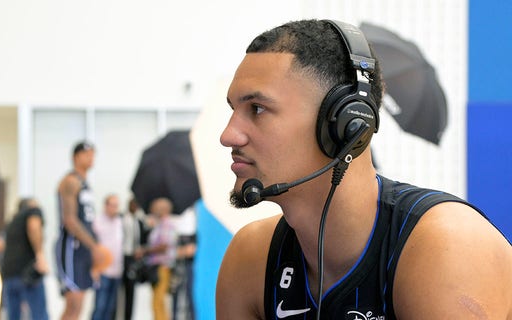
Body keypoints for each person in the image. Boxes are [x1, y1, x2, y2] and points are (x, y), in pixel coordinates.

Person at [215, 19, 512, 319]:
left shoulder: (448, 248)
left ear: (345, 126)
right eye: (233, 110)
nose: (228, 135)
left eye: (257, 108)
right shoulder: (252, 259)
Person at [55, 140, 103, 320]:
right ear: (76, 157)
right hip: (71, 246)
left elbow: (87, 220)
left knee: (80, 303)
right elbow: (70, 220)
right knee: (73, 303)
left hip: (84, 248)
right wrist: (95, 247)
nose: (91, 158)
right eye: (87, 153)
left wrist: (95, 245)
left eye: (93, 154)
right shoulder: (70, 181)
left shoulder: (85, 184)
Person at [1, 198, 49, 320]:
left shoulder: (11, 223)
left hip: (9, 275)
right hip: (28, 273)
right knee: (39, 315)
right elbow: (33, 226)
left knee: (13, 316)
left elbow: (1, 244)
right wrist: (40, 255)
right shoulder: (32, 212)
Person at [136, 197, 178, 320]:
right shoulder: (159, 224)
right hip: (156, 267)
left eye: (155, 207)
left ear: (163, 209)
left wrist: (145, 250)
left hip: (162, 267)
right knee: (156, 302)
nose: (152, 209)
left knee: (158, 302)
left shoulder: (166, 224)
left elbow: (164, 246)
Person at [91, 194, 124, 320]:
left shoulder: (119, 222)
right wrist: (94, 268)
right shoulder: (97, 222)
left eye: (117, 206)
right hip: (102, 271)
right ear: (106, 206)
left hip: (117, 271)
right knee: (100, 306)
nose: (115, 208)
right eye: (113, 205)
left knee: (110, 308)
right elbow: (92, 247)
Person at [121, 197, 146, 320]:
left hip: (133, 258)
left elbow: (143, 240)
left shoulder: (140, 222)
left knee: (131, 291)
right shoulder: (121, 219)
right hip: (121, 257)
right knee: (117, 291)